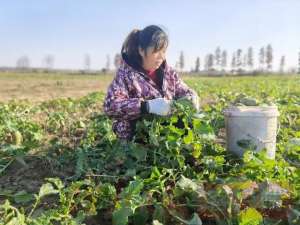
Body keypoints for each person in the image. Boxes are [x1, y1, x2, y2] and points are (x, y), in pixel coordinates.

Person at [104, 25, 199, 141]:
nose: (161, 57)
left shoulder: (169, 73)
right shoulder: (125, 75)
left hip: (165, 131)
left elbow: (183, 90)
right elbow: (111, 106)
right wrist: (146, 106)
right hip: (137, 135)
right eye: (157, 51)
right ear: (141, 50)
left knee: (188, 127)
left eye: (164, 51)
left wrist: (191, 96)